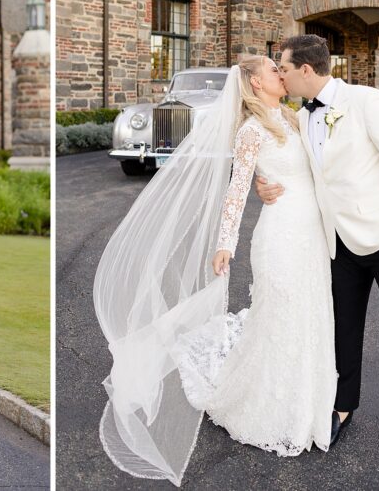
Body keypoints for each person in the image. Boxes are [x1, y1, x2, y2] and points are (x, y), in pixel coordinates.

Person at [94, 55, 335, 487]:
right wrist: (226, 243)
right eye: (273, 71)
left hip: (311, 236)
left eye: (282, 70)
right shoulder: (250, 131)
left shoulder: (297, 118)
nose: (281, 74)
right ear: (256, 84)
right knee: (279, 316)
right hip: (279, 237)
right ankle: (267, 404)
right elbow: (236, 191)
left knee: (310, 315)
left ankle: (311, 401)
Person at [258, 34, 379, 462]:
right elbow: (298, 170)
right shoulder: (302, 118)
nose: (281, 74)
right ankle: (344, 406)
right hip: (336, 241)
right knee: (344, 328)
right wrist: (263, 185)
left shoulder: (367, 101)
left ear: (305, 70)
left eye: (284, 67)